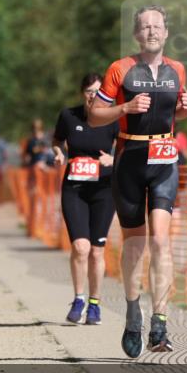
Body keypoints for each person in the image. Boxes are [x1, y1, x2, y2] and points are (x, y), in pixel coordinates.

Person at [88, 4, 187, 357]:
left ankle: (160, 323)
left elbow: (172, 114)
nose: (151, 31)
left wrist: (185, 109)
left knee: (162, 240)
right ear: (136, 35)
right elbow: (93, 116)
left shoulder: (177, 70)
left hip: (164, 159)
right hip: (130, 159)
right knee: (135, 245)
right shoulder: (120, 69)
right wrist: (124, 109)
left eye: (157, 26)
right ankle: (134, 313)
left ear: (166, 33)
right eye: (145, 26)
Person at [52, 73, 119, 325]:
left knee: (97, 251)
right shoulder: (69, 116)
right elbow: (57, 140)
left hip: (103, 190)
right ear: (82, 93)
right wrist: (58, 153)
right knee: (81, 247)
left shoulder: (114, 119)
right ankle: (79, 298)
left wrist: (113, 160)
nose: (94, 96)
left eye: (99, 92)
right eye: (90, 91)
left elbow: (126, 149)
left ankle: (95, 304)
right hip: (75, 188)